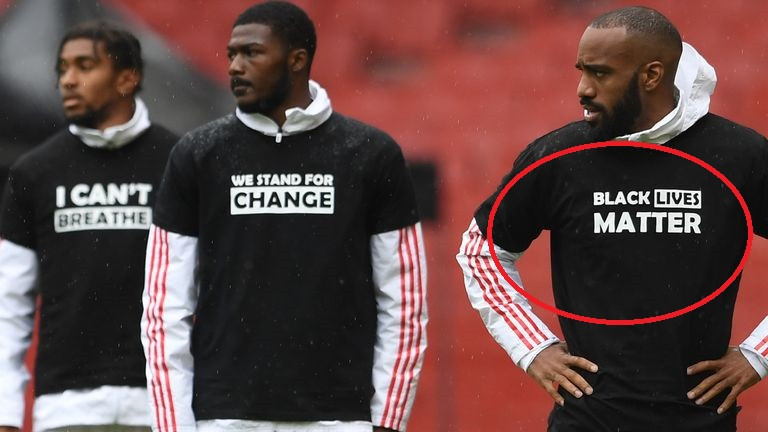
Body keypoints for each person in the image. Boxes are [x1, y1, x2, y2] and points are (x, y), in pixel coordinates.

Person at [456, 6, 768, 431]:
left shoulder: (739, 155)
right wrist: (533, 348)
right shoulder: (558, 156)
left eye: (600, 74)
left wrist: (757, 355)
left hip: (702, 421)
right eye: (582, 71)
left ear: (651, 75)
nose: (583, 89)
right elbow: (481, 251)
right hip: (587, 420)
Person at [140, 2, 427, 432]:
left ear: (297, 60)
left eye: (252, 53)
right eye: (231, 54)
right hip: (224, 418)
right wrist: (173, 425)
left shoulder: (371, 155)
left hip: (339, 418)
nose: (235, 66)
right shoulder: (197, 155)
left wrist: (387, 420)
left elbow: (404, 303)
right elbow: (164, 308)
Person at [0, 21, 178, 432]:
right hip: (65, 409)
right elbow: (10, 303)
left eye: (84, 66)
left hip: (163, 406)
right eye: (62, 69)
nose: (68, 80)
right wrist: (6, 413)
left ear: (127, 78)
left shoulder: (180, 163)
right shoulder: (33, 172)